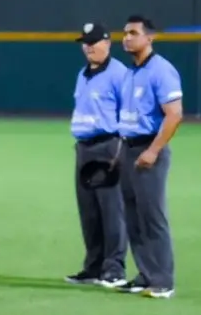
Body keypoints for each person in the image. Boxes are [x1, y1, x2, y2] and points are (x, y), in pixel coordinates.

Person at [116, 15, 183, 299]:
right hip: (129, 149)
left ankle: (163, 281)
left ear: (149, 38)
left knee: (153, 216)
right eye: (125, 33)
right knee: (134, 217)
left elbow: (175, 114)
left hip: (149, 150)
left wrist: (153, 150)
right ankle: (145, 274)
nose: (126, 38)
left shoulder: (161, 70)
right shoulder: (131, 73)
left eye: (133, 33)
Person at [64, 22, 129, 288]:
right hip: (84, 147)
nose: (88, 46)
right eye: (85, 42)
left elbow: (127, 113)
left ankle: (114, 269)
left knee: (111, 211)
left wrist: (121, 151)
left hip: (107, 147)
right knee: (89, 212)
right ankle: (93, 268)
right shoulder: (83, 74)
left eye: (94, 41)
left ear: (107, 43)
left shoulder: (119, 74)